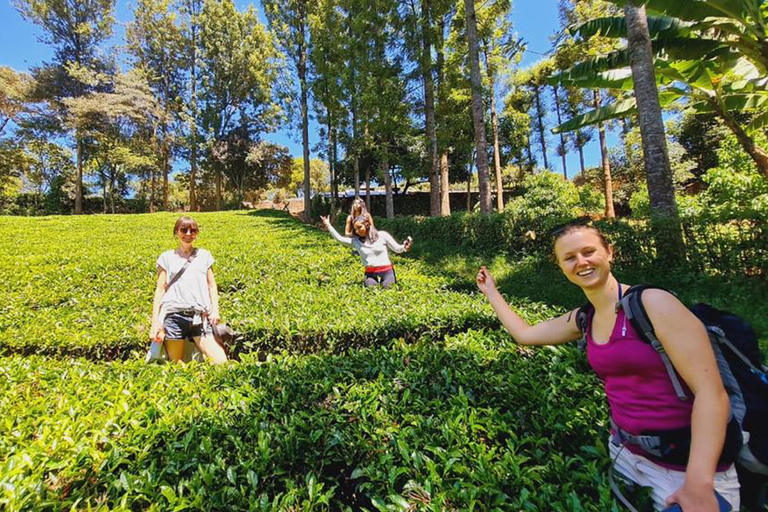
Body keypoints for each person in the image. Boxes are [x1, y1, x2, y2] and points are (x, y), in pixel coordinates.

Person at [476, 218, 741, 512]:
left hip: (685, 468)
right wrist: (491, 292)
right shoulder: (584, 318)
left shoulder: (653, 304)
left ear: (609, 252)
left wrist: (698, 483)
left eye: (589, 252)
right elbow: (525, 334)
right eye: (570, 257)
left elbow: (712, 394)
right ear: (561, 267)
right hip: (625, 457)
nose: (582, 262)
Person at [149, 216, 227, 364]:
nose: (188, 234)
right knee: (177, 366)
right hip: (174, 316)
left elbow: (212, 285)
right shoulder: (166, 257)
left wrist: (215, 310)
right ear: (176, 232)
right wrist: (155, 322)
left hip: (200, 317)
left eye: (193, 230)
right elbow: (160, 290)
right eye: (184, 229)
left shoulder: (204, 255)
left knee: (221, 361)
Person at [321, 214, 412, 288]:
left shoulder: (382, 235)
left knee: (388, 289)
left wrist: (405, 247)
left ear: (367, 224)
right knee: (371, 289)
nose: (357, 231)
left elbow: (397, 248)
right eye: (355, 229)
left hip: (387, 271)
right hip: (370, 273)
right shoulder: (356, 242)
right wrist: (328, 225)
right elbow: (339, 239)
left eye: (359, 227)